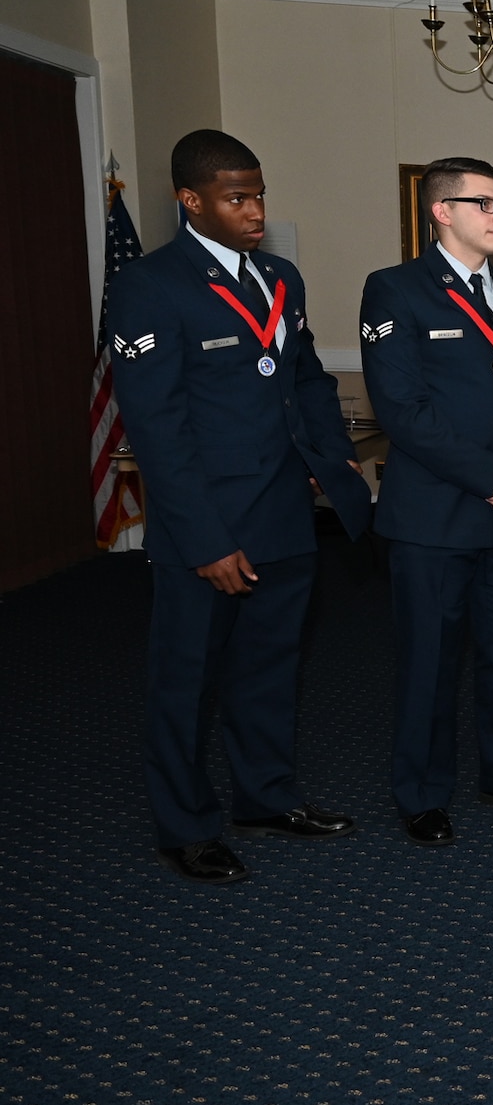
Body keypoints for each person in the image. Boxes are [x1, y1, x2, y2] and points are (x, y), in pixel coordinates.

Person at [107, 129, 372, 884]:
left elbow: (307, 378)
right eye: (236, 197)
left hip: (284, 514)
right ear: (190, 200)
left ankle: (265, 796)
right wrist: (204, 540)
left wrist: (333, 454)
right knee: (186, 680)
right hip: (209, 528)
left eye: (258, 194)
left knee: (268, 669)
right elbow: (158, 429)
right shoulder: (149, 286)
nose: (255, 210)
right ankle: (185, 824)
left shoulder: (279, 278)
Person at [359, 157, 493, 845]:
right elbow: (404, 409)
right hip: (437, 515)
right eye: (486, 204)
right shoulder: (395, 291)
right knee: (430, 659)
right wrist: (491, 478)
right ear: (441, 211)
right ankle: (421, 794)